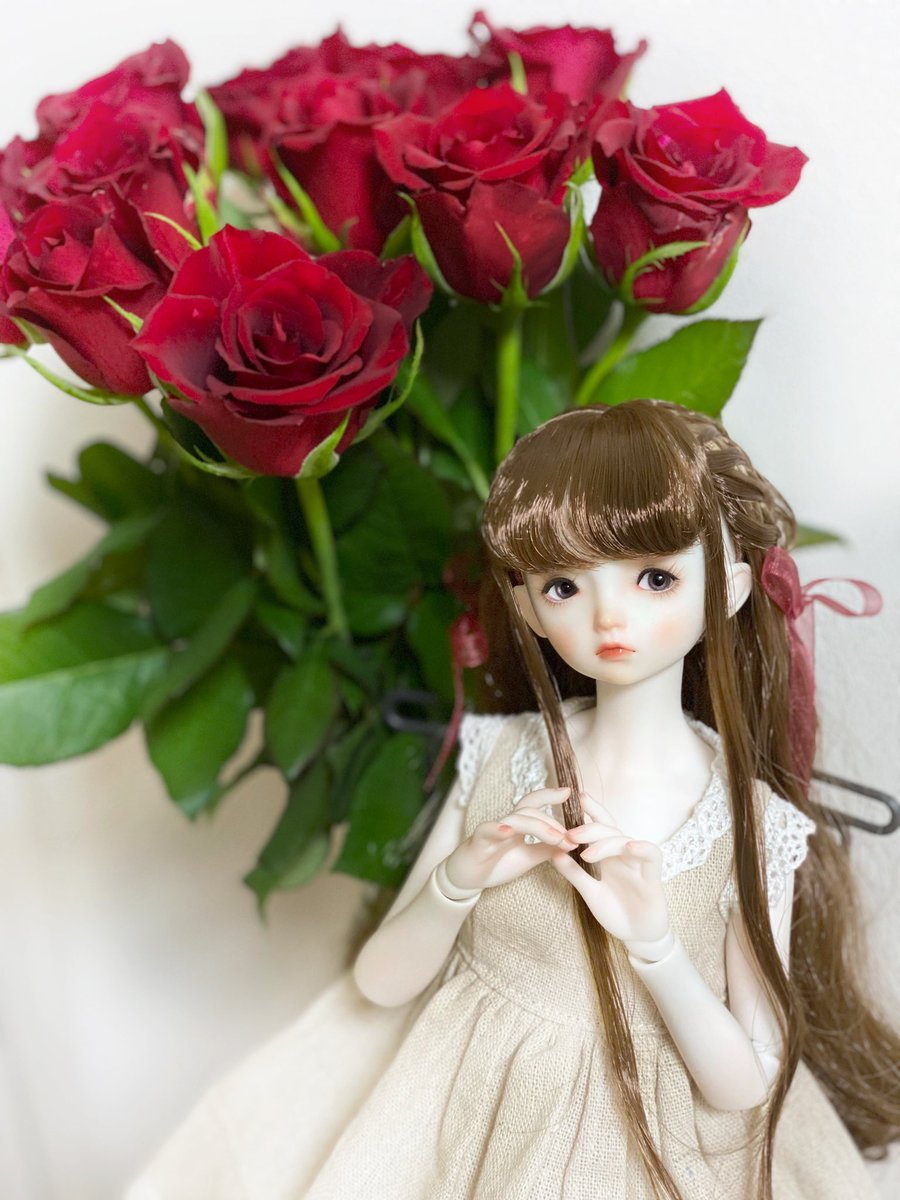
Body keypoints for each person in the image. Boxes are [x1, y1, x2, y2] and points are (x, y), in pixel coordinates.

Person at [126, 399, 898, 1200]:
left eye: (656, 578)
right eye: (564, 586)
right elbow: (380, 983)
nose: (609, 615)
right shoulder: (502, 754)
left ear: (729, 587)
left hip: (658, 1152)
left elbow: (748, 1082)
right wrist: (456, 880)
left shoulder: (749, 822)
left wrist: (657, 948)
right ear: (526, 606)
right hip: (471, 1113)